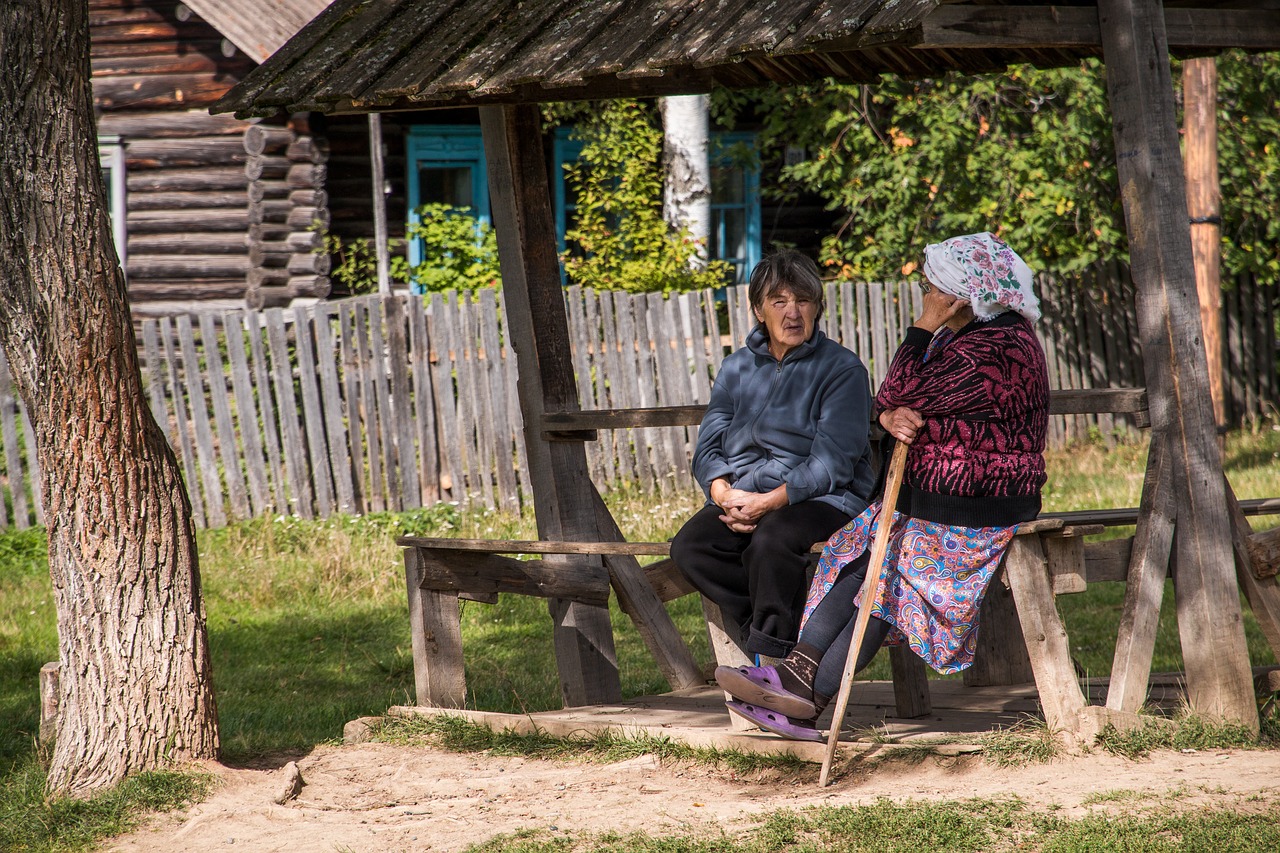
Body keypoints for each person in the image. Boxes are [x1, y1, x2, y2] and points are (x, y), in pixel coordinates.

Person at [714, 232, 1049, 741]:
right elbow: (891, 400)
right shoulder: (963, 338)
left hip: (979, 508)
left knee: (890, 583)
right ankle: (795, 672)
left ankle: (808, 698)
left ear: (962, 292)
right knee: (856, 556)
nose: (927, 295)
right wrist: (891, 413)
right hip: (935, 504)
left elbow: (896, 386)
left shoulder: (997, 347)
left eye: (933, 287)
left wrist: (921, 328)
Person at [671, 249, 876, 663]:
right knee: (691, 547)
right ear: (758, 310)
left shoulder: (842, 369)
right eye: (779, 301)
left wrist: (767, 503)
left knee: (773, 538)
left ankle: (775, 662)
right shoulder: (737, 368)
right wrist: (722, 491)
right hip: (745, 497)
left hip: (826, 499)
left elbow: (834, 461)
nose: (793, 313)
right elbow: (710, 441)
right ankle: (781, 635)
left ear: (817, 307)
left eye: (803, 300)